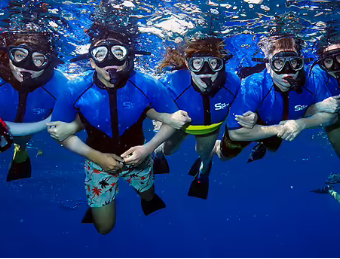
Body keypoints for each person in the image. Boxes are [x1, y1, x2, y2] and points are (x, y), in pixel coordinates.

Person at [49, 23, 188, 235]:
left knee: (148, 195)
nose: (109, 61)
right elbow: (59, 134)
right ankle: (101, 202)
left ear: (127, 59)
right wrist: (97, 157)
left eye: (118, 53)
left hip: (139, 156)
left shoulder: (147, 84)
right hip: (97, 160)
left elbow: (174, 121)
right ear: (91, 61)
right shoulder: (75, 88)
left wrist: (148, 149)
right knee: (104, 228)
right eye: (101, 54)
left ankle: (143, 197)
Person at [153, 37, 257, 200]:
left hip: (210, 127)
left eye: (214, 63)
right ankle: (158, 156)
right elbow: (149, 103)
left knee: (204, 153)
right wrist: (163, 118)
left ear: (221, 64)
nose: (206, 71)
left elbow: (246, 103)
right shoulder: (172, 82)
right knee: (168, 150)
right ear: (188, 65)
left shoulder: (232, 82)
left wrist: (252, 116)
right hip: (178, 125)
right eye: (198, 64)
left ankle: (203, 172)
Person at [213, 35, 338, 162]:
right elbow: (235, 133)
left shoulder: (311, 79)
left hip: (282, 126)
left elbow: (332, 116)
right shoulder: (253, 85)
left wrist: (301, 124)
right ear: (268, 65)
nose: (287, 71)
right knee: (224, 156)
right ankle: (214, 147)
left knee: (271, 146)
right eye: (278, 63)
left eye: (293, 62)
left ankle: (262, 145)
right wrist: (282, 128)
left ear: (300, 62)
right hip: (258, 128)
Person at [0, 29, 68, 181]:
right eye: (19, 55)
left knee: (22, 140)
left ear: (48, 62)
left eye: (38, 59)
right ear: (8, 55)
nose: (26, 65)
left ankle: (21, 148)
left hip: (31, 124)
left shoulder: (60, 85)